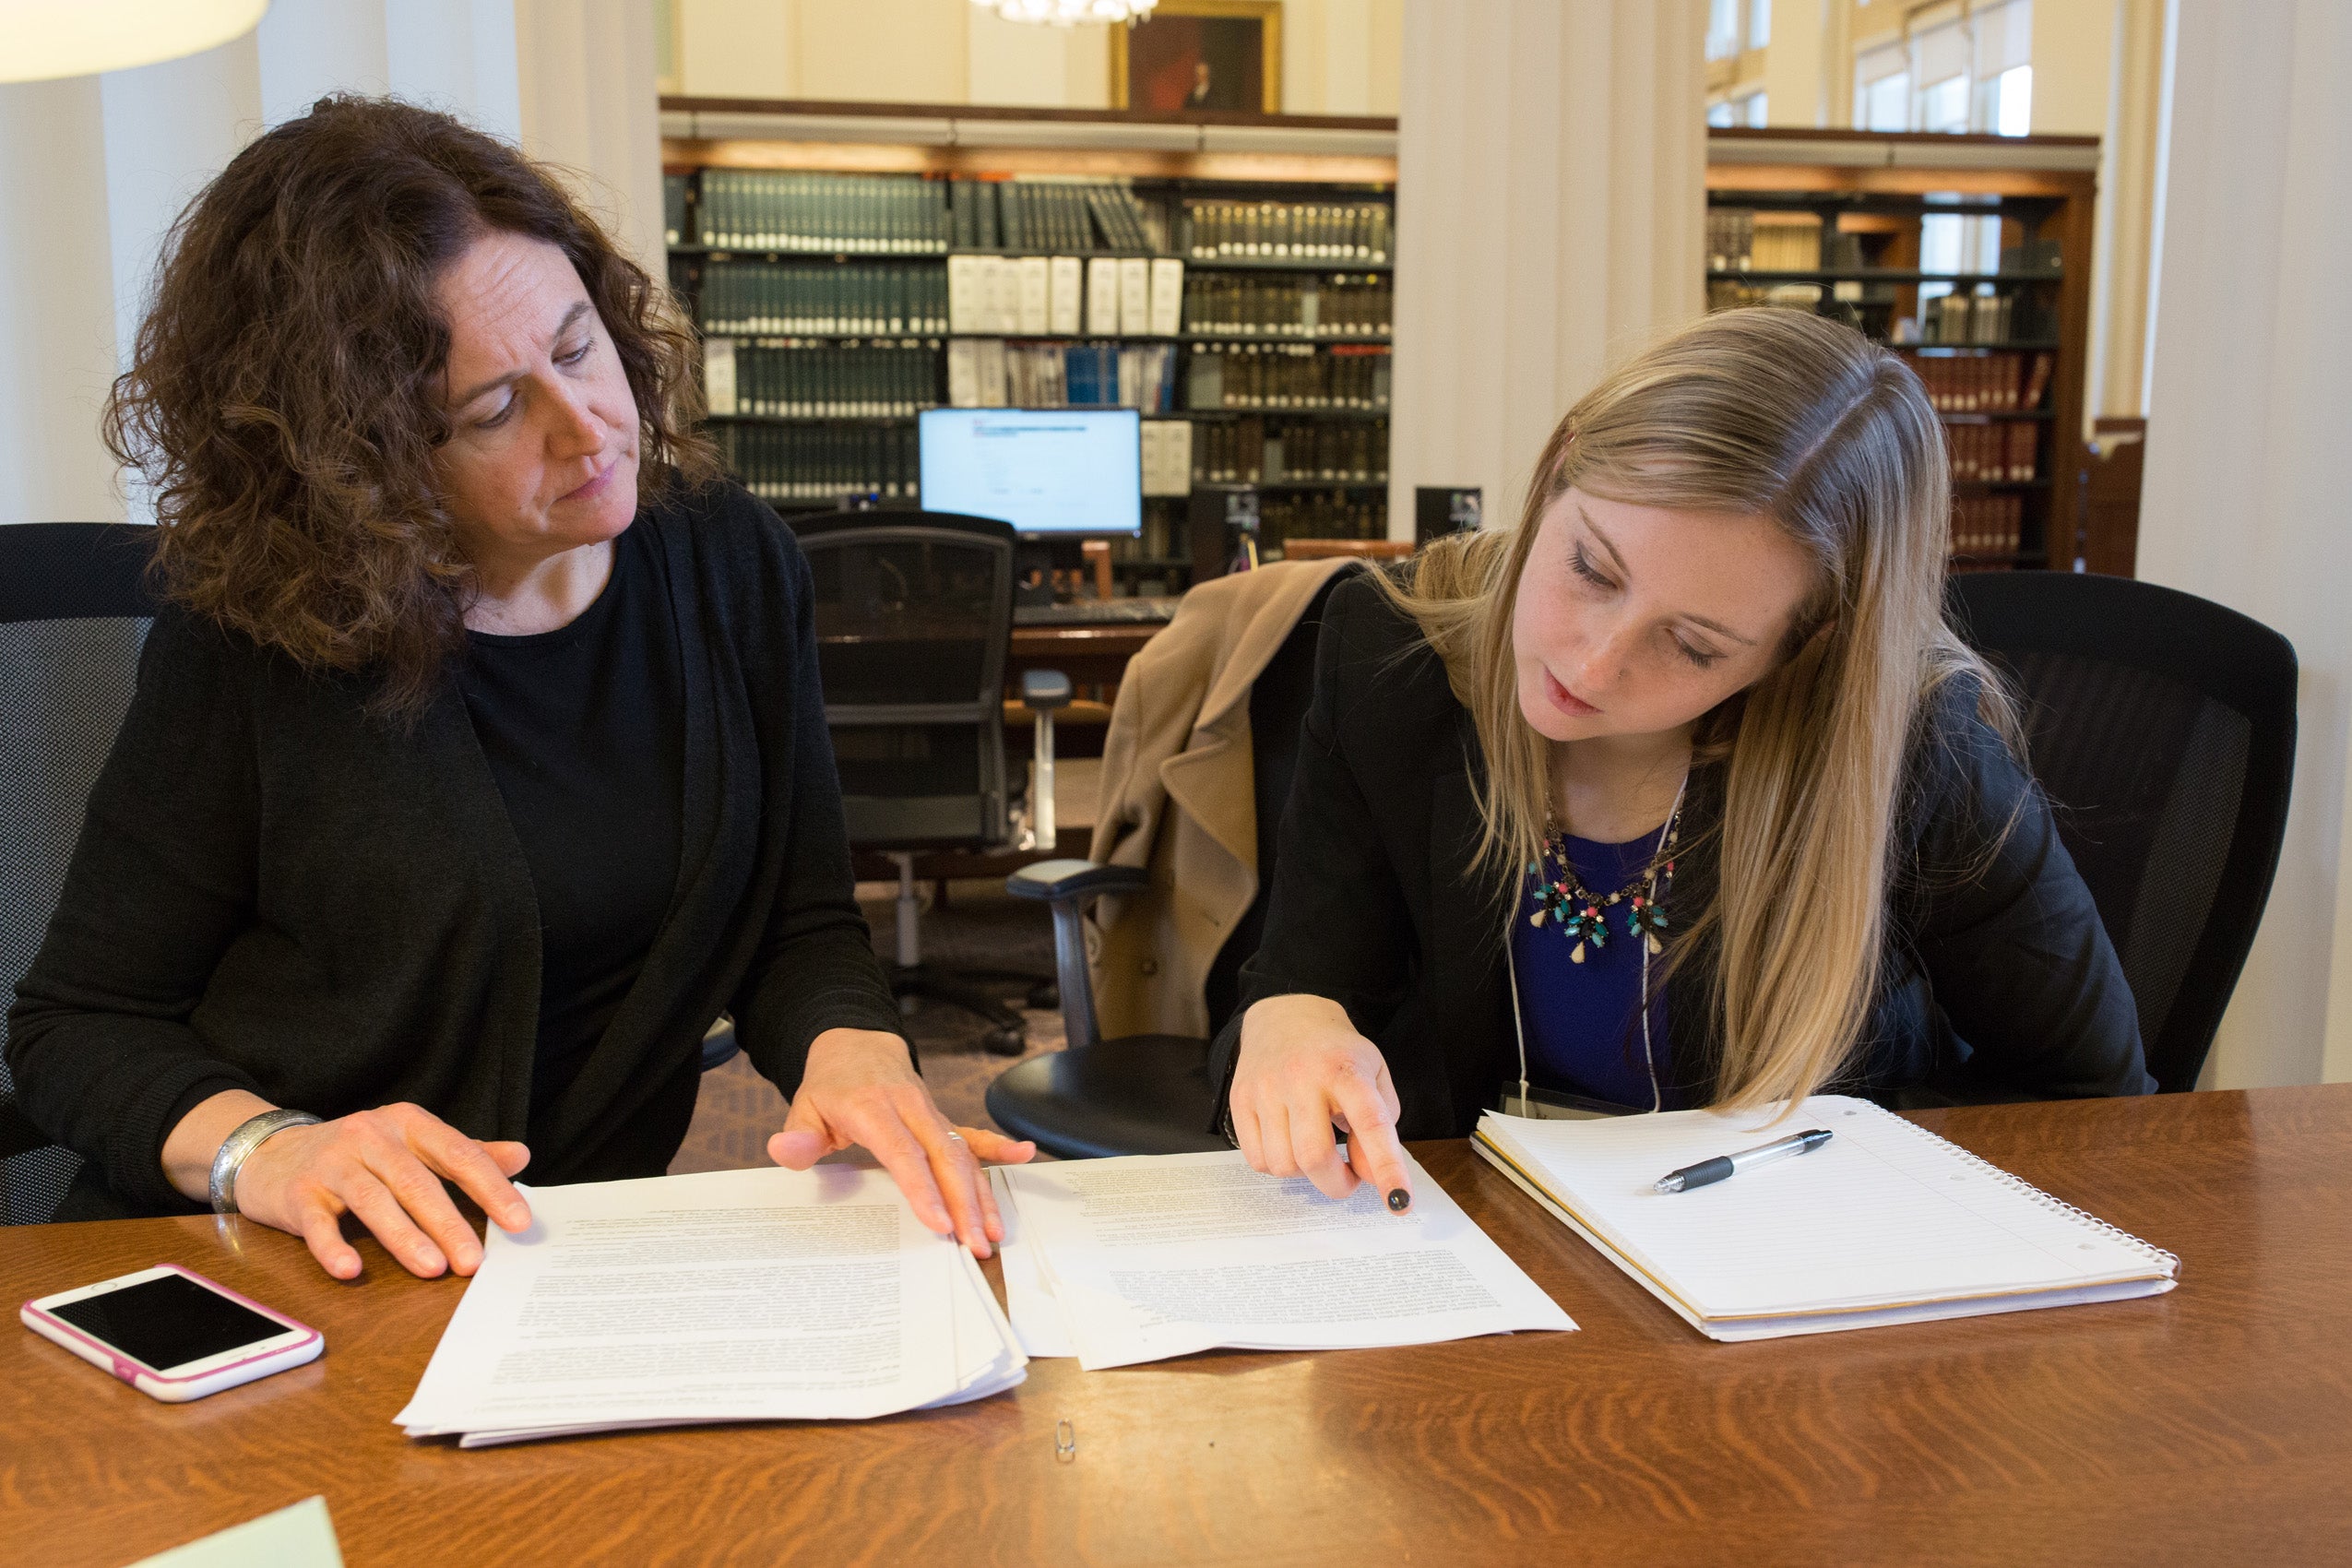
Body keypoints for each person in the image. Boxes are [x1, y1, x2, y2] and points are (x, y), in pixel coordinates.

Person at [6, 95, 1031, 1280]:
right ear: (362, 465)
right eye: (494, 409)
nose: (587, 429)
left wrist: (851, 1046)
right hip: (281, 1270)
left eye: (578, 344)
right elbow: (75, 1027)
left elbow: (795, 922)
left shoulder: (728, 560)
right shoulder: (260, 638)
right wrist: (270, 1151)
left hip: (554, 1273)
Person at [1215, 307, 2152, 1212]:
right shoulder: (1394, 657)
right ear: (1558, 467)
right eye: (1590, 568)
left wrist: (1858, 1195)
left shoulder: (1913, 753)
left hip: (1792, 1280)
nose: (1591, 661)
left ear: (1805, 648)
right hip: (1476, 1259)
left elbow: (2097, 1101)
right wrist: (1288, 1020)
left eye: (1695, 646)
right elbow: (1304, 981)